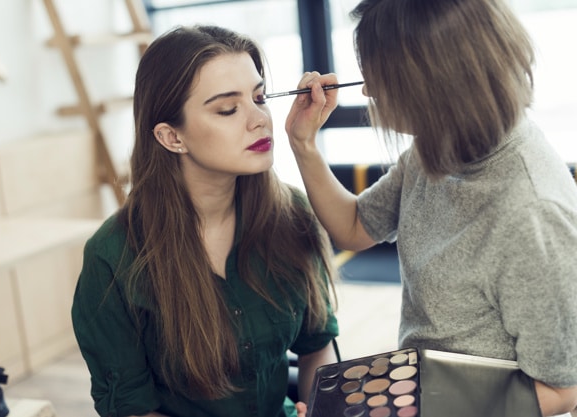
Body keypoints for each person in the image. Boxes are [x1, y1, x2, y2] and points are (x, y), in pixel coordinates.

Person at [284, 0, 577, 416]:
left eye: (377, 76)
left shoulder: (532, 214)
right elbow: (354, 226)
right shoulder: (437, 146)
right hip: (427, 387)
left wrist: (422, 407)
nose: (367, 90)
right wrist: (303, 144)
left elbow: (563, 387)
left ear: (430, 81)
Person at [71, 25, 339, 417]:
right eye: (228, 109)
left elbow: (318, 348)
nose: (259, 120)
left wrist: (324, 409)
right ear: (170, 137)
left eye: (259, 98)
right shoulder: (112, 258)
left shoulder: (291, 214)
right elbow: (132, 409)